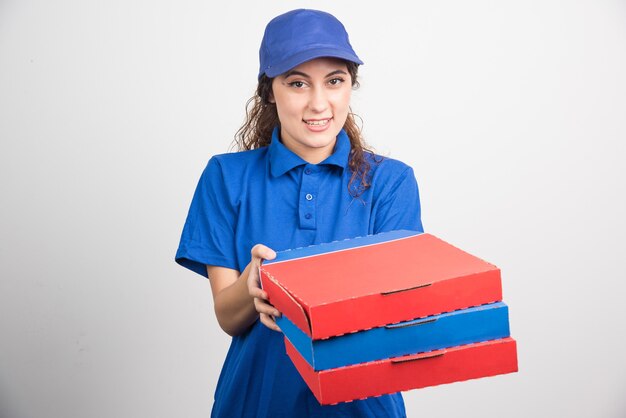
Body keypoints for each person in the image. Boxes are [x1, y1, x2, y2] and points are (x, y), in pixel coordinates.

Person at [175, 9, 423, 418]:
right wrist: (251, 287)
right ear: (270, 91)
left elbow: (398, 316)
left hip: (363, 407)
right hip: (255, 403)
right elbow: (227, 316)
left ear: (350, 87)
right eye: (297, 83)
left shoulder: (391, 182)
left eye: (335, 81)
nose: (318, 103)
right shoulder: (225, 176)